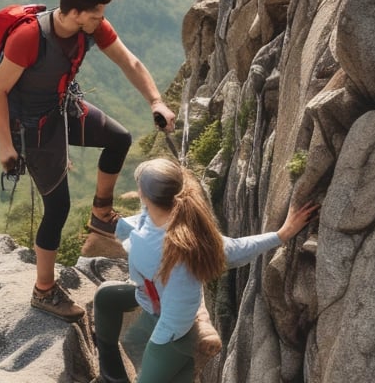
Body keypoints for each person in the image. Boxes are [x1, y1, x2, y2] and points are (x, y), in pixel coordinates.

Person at [0, 0, 176, 322]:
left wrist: (156, 102)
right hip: (29, 128)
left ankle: (101, 215)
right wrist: (5, 145)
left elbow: (128, 62)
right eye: (96, 14)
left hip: (61, 109)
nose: (101, 20)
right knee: (58, 206)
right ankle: (44, 290)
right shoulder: (29, 38)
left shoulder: (90, 27)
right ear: (74, 13)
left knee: (119, 139)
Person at [92, 158, 320, 382]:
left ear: (143, 195)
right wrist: (281, 235)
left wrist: (157, 344)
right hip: (155, 303)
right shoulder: (185, 226)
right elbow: (237, 249)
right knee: (106, 297)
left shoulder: (170, 249)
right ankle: (112, 375)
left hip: (173, 335)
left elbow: (176, 315)